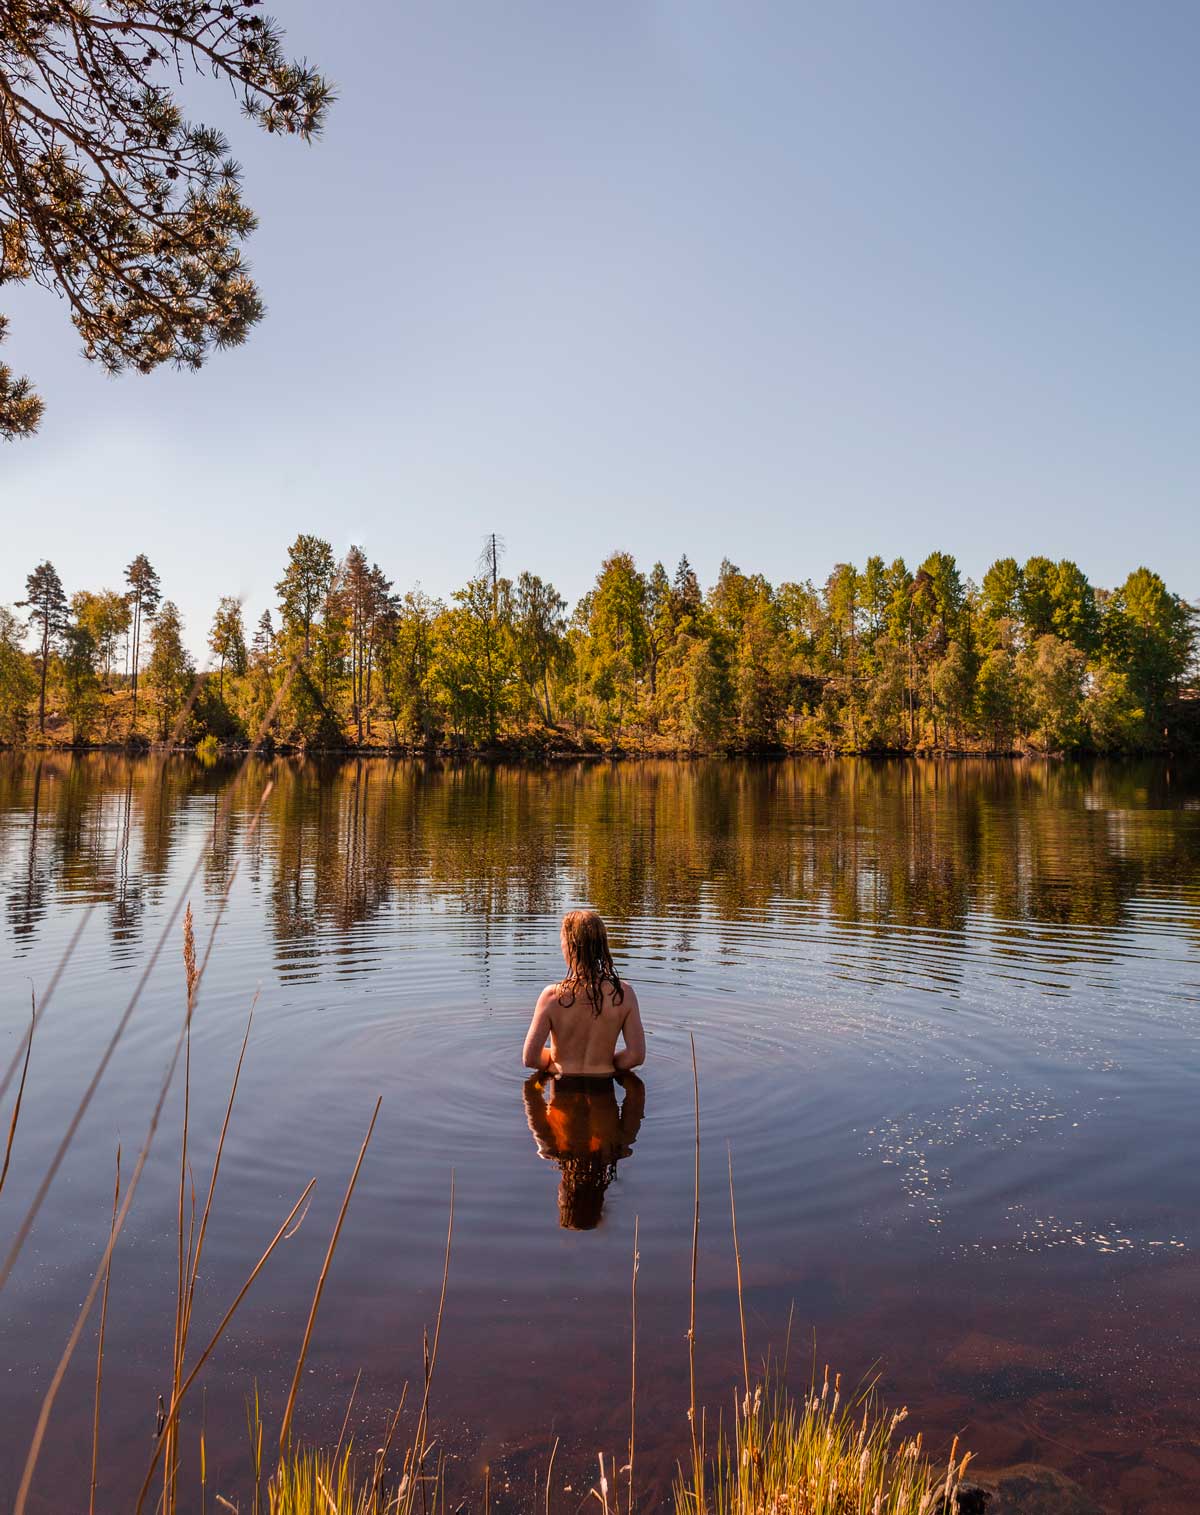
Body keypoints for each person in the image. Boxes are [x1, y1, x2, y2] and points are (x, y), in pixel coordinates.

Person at [522, 909, 645, 1078]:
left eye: (562, 941)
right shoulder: (624, 995)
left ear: (570, 947)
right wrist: (606, 1063)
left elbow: (530, 1059)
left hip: (562, 1087)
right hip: (604, 1089)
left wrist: (554, 1061)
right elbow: (636, 1056)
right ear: (602, 946)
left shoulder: (552, 996)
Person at [523, 1070, 646, 1229]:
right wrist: (614, 1071)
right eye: (559, 1200)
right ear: (565, 1196)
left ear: (600, 1198)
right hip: (594, 1075)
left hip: (572, 1074)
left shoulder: (619, 1148)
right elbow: (531, 1092)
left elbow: (636, 1092)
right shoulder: (550, 1148)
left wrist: (545, 1076)